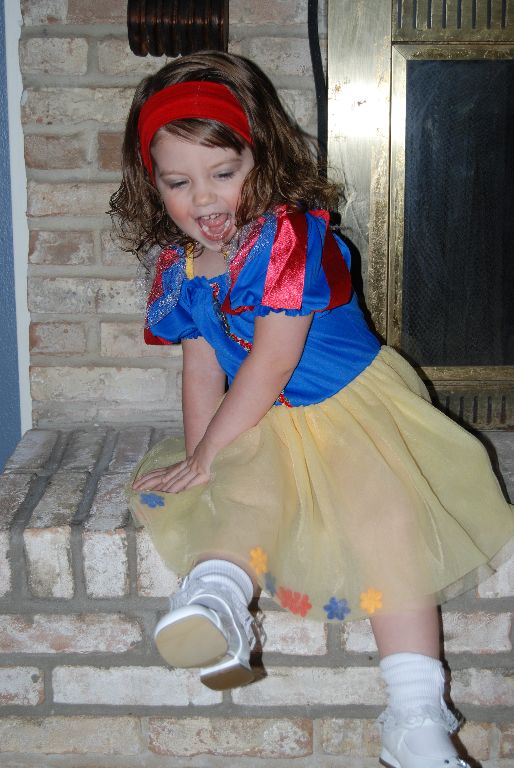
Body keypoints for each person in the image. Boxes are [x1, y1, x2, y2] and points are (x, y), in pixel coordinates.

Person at [109, 51, 513, 768]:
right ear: (153, 184)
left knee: (389, 523)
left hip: (351, 409)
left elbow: (270, 362)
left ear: (261, 160)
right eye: (178, 182)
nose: (203, 199)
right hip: (261, 417)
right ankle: (216, 595)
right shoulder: (180, 267)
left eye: (223, 173)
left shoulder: (289, 238)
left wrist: (213, 449)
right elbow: (201, 367)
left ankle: (416, 717)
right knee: (245, 489)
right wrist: (204, 461)